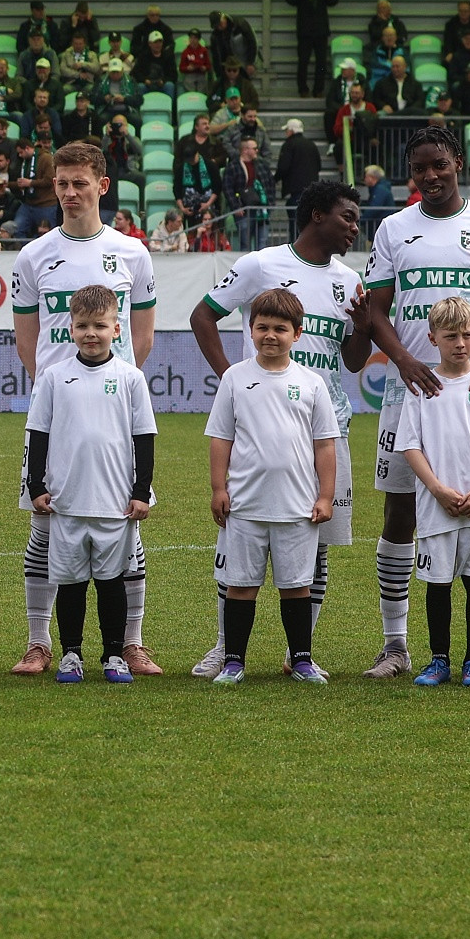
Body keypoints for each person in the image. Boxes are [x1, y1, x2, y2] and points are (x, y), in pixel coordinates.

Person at [357, 124, 470, 681]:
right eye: (420, 169)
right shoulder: (392, 228)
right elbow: (375, 311)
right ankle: (395, 645)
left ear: (458, 162)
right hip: (410, 392)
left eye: (440, 165)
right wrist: (402, 360)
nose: (430, 176)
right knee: (400, 510)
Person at [189, 180, 370, 677]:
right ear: (316, 214)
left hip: (326, 427)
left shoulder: (349, 282)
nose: (355, 227)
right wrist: (232, 377)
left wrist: (367, 325)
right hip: (256, 433)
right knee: (237, 547)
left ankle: (299, 652)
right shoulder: (260, 264)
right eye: (348, 217)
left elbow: (352, 362)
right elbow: (202, 315)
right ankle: (226, 646)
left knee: (319, 543)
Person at [7, 140, 158, 675]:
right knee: (43, 527)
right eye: (61, 184)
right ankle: (40, 641)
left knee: (126, 525)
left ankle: (130, 643)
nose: (70, 193)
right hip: (55, 412)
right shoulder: (34, 254)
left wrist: (108, 387)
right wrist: (59, 390)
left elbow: (141, 338)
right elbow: (28, 341)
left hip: (114, 414)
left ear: (102, 186)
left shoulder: (133, 252)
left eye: (79, 183)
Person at [202, 288, 339, 686]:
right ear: (250, 329)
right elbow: (220, 438)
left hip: (297, 507)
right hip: (244, 506)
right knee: (240, 586)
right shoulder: (234, 378)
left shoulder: (311, 383)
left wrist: (326, 496)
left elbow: (324, 444)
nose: (270, 335)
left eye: (280, 328)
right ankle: (233, 661)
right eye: (262, 327)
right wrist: (218, 488)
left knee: (296, 587)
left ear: (298, 334)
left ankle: (301, 659)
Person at [23, 283, 154, 684]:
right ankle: (71, 654)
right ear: (70, 328)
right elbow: (38, 433)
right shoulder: (53, 377)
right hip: (67, 501)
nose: (91, 334)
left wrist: (140, 491)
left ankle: (114, 654)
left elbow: (144, 438)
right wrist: (35, 487)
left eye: (100, 325)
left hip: (114, 503)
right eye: (83, 326)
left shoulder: (130, 378)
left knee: (113, 583)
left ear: (117, 329)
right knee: (72, 583)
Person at [396, 296, 470, 688]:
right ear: (433, 338)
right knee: (438, 584)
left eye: (467, 334)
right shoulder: (421, 388)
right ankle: (438, 660)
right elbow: (410, 445)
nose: (460, 343)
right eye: (451, 336)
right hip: (436, 507)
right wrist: (435, 488)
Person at [284, 0, 339, 98]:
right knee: (303, 62)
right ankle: (303, 89)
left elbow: (334, 0)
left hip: (321, 33)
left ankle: (318, 89)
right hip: (305, 33)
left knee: (321, 63)